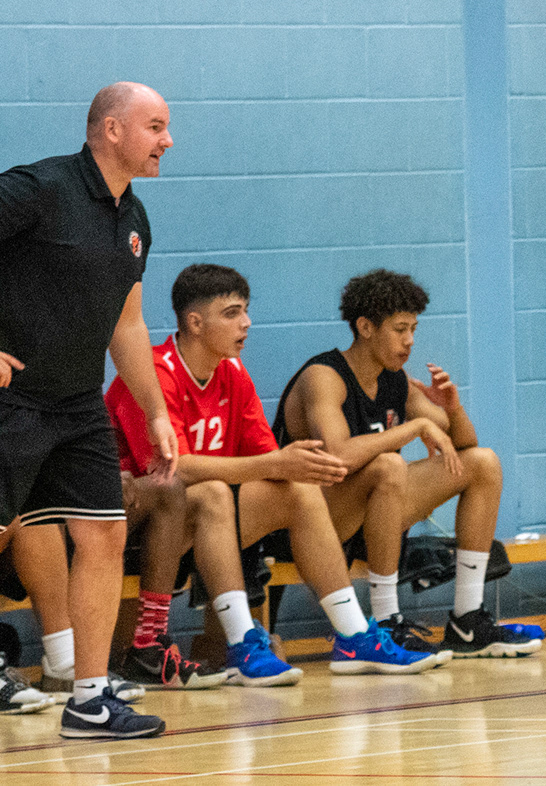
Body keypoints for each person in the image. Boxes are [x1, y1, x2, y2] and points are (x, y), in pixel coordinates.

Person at [108, 264, 438, 684]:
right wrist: (274, 463)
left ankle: (354, 634)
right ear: (195, 323)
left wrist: (299, 465)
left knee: (297, 488)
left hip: (207, 520)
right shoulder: (153, 373)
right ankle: (242, 642)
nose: (246, 322)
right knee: (213, 491)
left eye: (245, 311)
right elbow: (177, 467)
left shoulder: (233, 372)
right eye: (232, 313)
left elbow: (268, 458)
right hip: (138, 524)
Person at [0, 82, 178, 738]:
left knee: (104, 534)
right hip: (11, 399)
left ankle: (89, 699)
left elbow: (126, 325)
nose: (167, 141)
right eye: (155, 126)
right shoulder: (39, 189)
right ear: (111, 129)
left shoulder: (134, 219)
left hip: (76, 404)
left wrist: (154, 411)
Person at [272, 269, 540, 659]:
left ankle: (466, 621)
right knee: (388, 466)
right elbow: (338, 456)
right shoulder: (323, 376)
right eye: (400, 329)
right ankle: (386, 621)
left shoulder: (395, 380)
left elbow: (462, 445)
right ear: (365, 327)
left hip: (369, 515)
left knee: (484, 463)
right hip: (308, 522)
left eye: (413, 329)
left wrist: (452, 407)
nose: (410, 340)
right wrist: (413, 428)